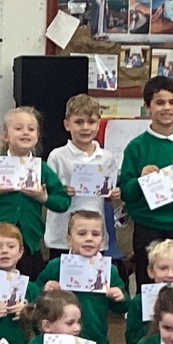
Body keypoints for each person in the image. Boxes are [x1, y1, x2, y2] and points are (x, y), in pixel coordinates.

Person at [33, 208, 130, 344]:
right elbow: (33, 294)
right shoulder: (56, 266)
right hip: (57, 343)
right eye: (82, 233)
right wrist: (44, 288)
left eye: (95, 234)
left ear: (102, 240)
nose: (89, 239)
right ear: (69, 239)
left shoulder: (109, 271)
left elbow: (123, 307)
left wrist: (120, 298)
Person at [115, 77, 173, 285]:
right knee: (146, 286)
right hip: (148, 227)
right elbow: (126, 193)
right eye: (159, 102)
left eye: (172, 102)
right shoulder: (136, 147)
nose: (167, 108)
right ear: (147, 107)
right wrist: (140, 180)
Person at [0, 106, 70, 275]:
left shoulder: (42, 168)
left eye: (31, 129)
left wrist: (44, 198)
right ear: (5, 135)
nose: (25, 132)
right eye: (18, 128)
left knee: (29, 287)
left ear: (37, 135)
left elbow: (63, 202)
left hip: (29, 244)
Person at [44, 94, 121, 258]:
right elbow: (47, 192)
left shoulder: (107, 157)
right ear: (67, 124)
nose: (85, 127)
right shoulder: (57, 156)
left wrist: (113, 193)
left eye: (91, 122)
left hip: (94, 236)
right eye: (79, 122)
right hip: (62, 236)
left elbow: (109, 193)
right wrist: (60, 191)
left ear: (98, 124)